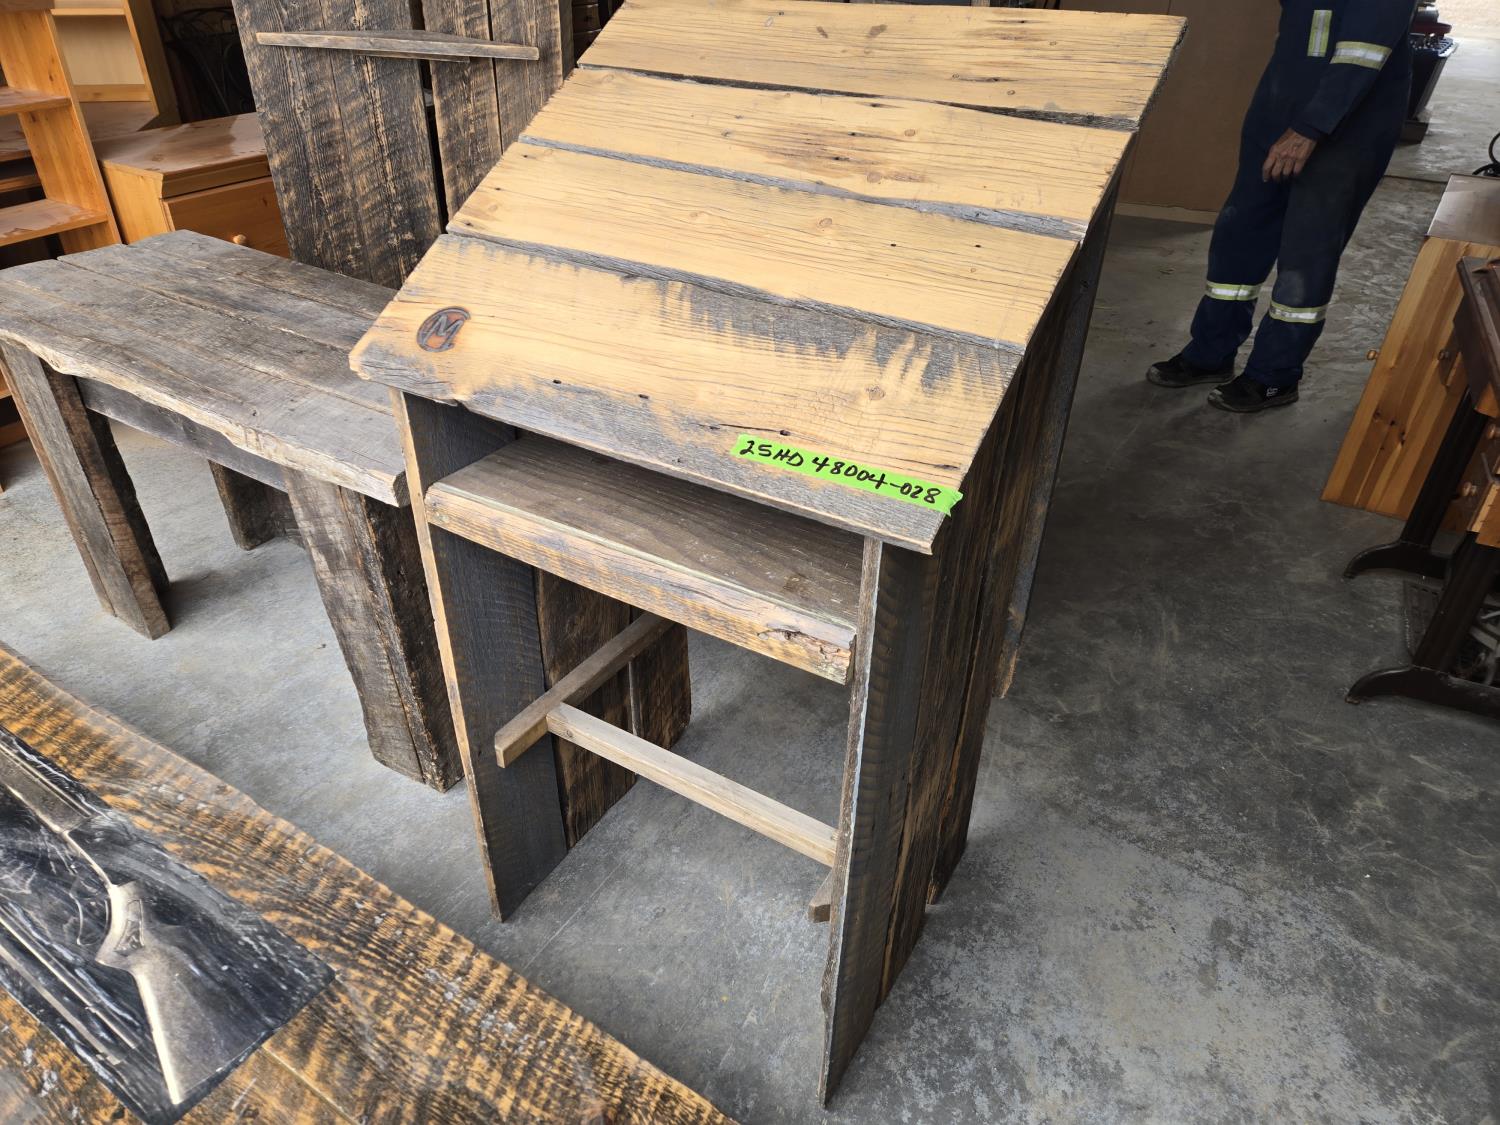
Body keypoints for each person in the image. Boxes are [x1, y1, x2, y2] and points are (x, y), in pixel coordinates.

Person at [1149, 0, 1418, 413]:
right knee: (1239, 237)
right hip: (1278, 113)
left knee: (1305, 258)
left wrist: (1310, 128)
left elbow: (1362, 53)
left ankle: (1274, 376)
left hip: (1346, 131)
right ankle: (1210, 352)